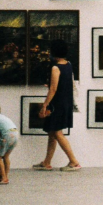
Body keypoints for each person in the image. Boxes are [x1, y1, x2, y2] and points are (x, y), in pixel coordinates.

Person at [34, 39, 81, 171]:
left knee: (57, 133)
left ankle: (74, 161)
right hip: (65, 102)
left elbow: (53, 89)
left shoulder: (56, 68)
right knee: (52, 132)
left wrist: (45, 105)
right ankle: (47, 162)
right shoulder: (68, 64)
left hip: (57, 104)